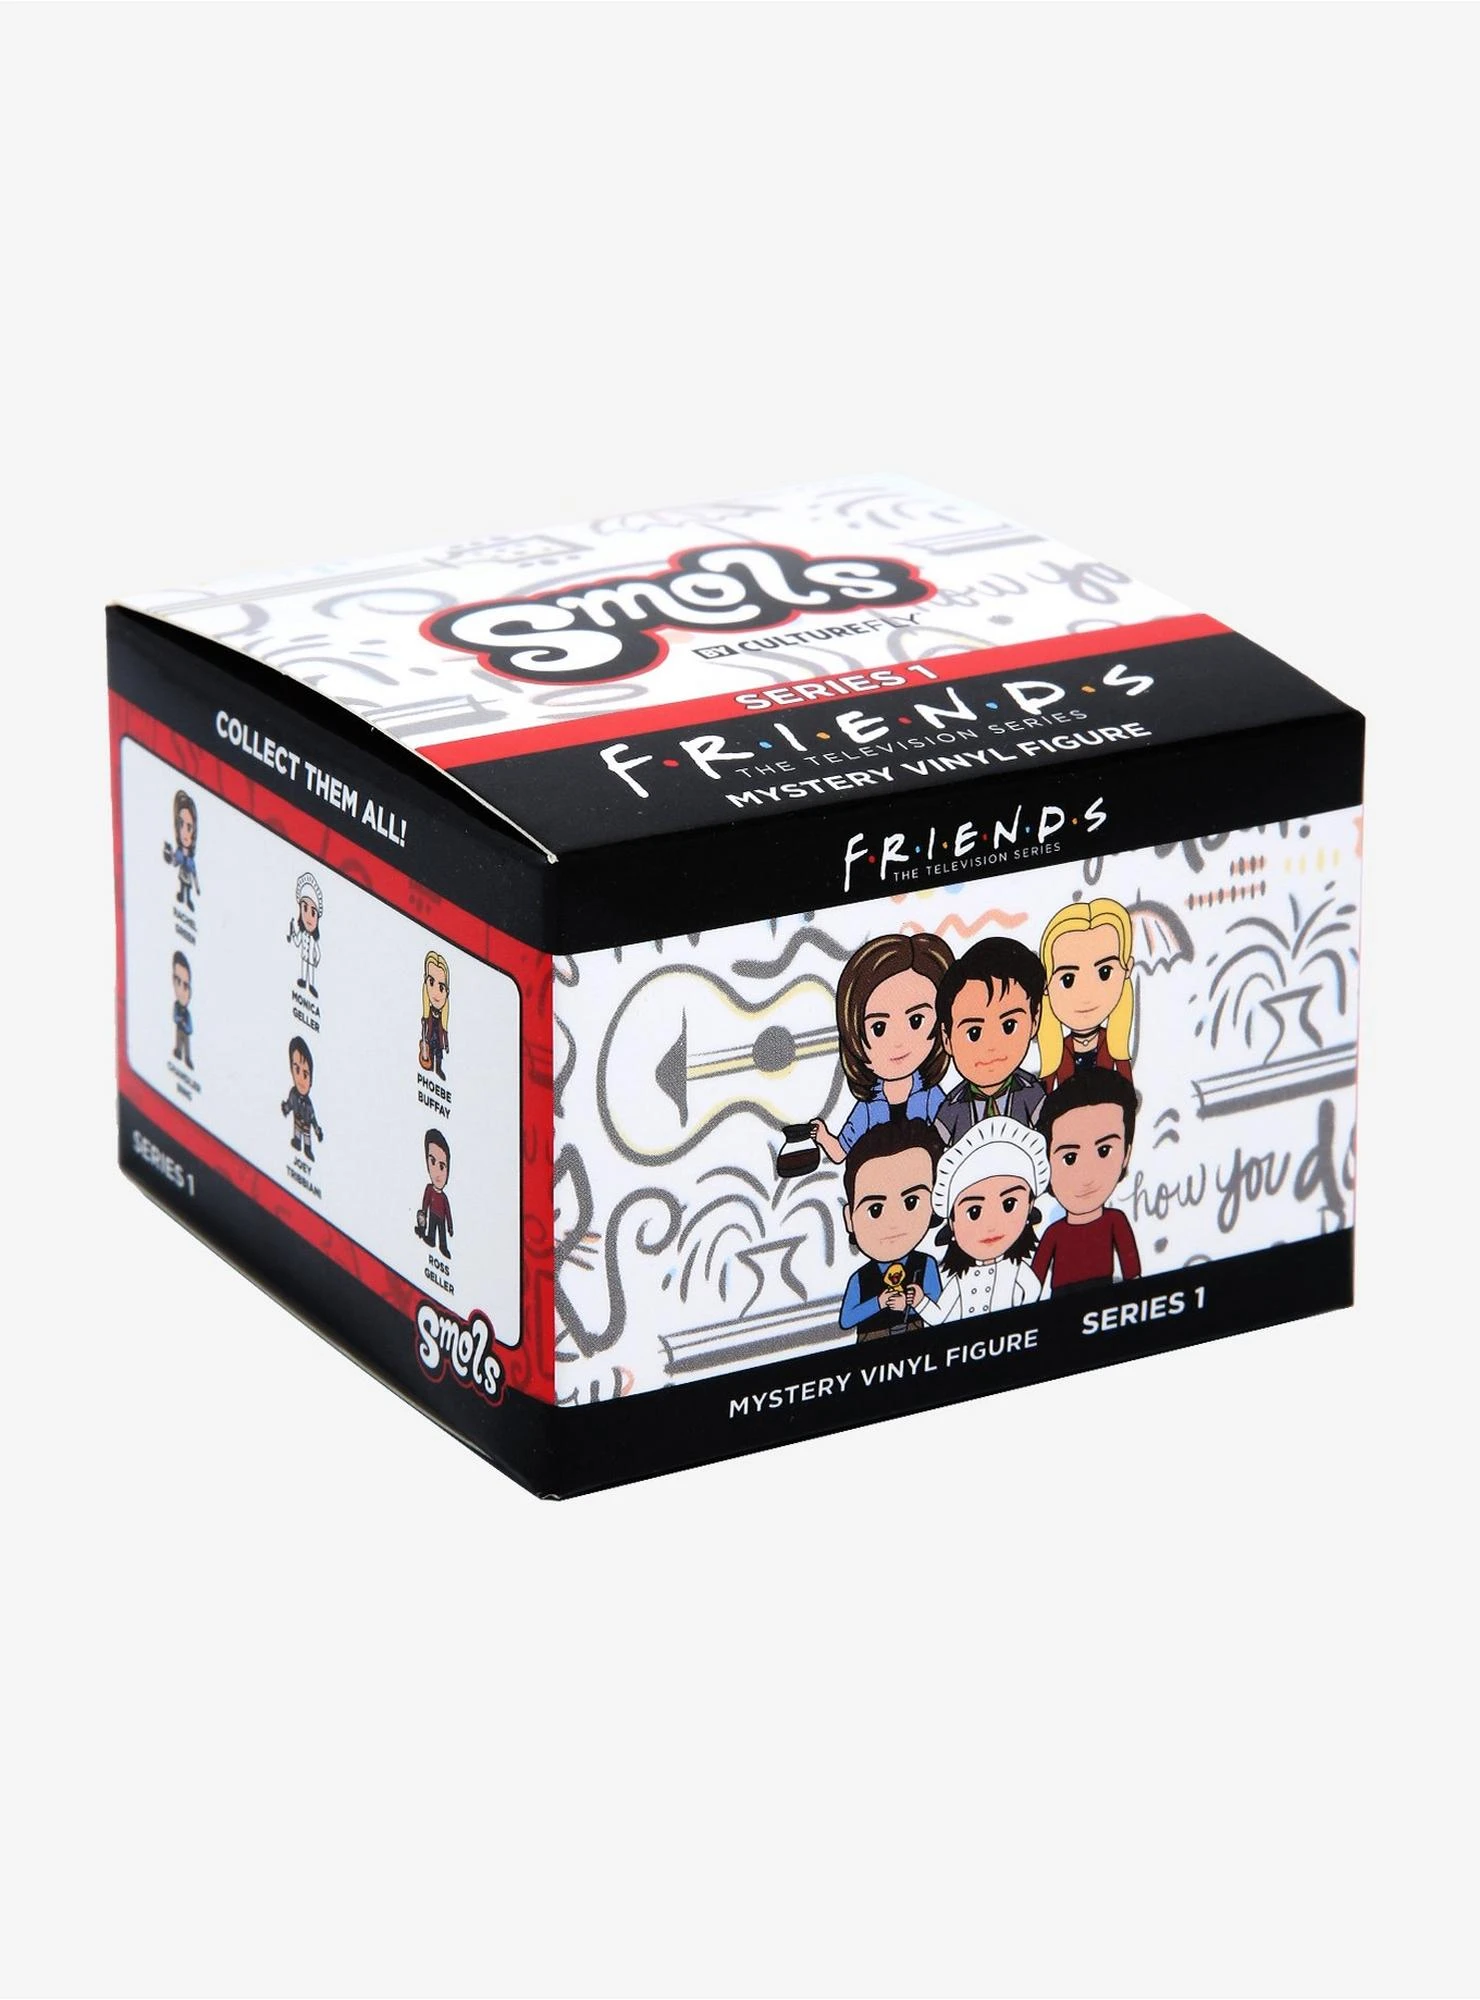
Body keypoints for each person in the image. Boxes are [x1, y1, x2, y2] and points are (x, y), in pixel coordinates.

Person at [812, 933, 952, 1165]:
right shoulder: (868, 1107)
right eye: (879, 1028)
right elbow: (840, 1152)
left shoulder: (930, 1096)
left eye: (916, 1020)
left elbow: (954, 1143)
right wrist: (823, 1137)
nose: (898, 1042)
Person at [916, 1116, 1048, 1322]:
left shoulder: (1015, 1269)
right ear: (952, 1223)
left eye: (1009, 1204)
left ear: (1029, 1206)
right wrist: (920, 1302)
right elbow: (939, 1317)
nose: (991, 1225)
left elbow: (1034, 1293)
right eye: (974, 1212)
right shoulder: (961, 1278)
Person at [1032, 1070, 1142, 1293]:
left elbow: (1132, 1271)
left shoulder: (1115, 1221)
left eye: (1104, 1151)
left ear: (1126, 1154)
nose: (1087, 1176)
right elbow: (1032, 1282)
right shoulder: (1054, 1233)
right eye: (1070, 1158)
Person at [836, 1119, 943, 1341]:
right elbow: (846, 1319)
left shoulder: (926, 1265)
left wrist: (915, 1304)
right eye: (875, 1209)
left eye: (911, 1202)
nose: (894, 1222)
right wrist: (879, 1302)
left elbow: (941, 1310)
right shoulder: (860, 1278)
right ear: (849, 1218)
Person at [933, 937, 1047, 1144]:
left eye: (1009, 1026)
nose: (992, 1046)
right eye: (974, 1033)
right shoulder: (951, 1109)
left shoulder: (1032, 1095)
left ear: (1034, 1020)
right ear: (947, 1038)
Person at [1037, 897, 1135, 1094]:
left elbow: (1129, 1100)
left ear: (1127, 969)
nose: (1086, 994)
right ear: (1046, 984)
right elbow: (1042, 1103)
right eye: (1068, 980)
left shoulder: (1114, 1046)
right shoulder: (1057, 1052)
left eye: (1104, 972)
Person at [281, 1037, 323, 1160]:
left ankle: (307, 1149)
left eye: (305, 1074)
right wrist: (286, 1108)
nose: (300, 1079)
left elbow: (313, 1118)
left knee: (306, 1135)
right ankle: (297, 1141)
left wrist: (317, 1130)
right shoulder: (293, 1094)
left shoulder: (308, 1105)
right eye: (297, 1070)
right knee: (297, 1130)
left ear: (311, 1080)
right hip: (297, 1119)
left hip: (306, 1123)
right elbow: (290, 1103)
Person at [415, 1129, 454, 1258]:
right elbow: (426, 1201)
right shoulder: (429, 1189)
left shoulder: (444, 1198)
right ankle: (430, 1239)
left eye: (442, 1166)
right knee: (431, 1230)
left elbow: (448, 1213)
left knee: (442, 1234)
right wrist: (423, 1213)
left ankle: (443, 1247)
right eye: (432, 1162)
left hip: (441, 1218)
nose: (437, 1172)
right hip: (432, 1214)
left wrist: (450, 1227)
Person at [162, 791, 199, 911]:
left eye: (189, 827)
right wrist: (168, 854)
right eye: (181, 824)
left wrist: (197, 887)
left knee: (187, 888)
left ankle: (188, 900)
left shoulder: (191, 859)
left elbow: (194, 873)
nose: (184, 832)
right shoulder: (179, 853)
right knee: (183, 887)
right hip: (182, 875)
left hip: (188, 878)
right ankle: (181, 897)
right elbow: (174, 862)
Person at [287, 874, 323, 996]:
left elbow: (318, 952)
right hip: (304, 957)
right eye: (304, 909)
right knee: (303, 968)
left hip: (311, 960)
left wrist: (317, 960)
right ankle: (303, 981)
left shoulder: (313, 939)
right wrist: (292, 932)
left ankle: (311, 985)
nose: (308, 917)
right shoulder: (302, 933)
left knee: (310, 971)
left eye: (313, 912)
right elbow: (297, 942)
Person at [421, 951, 450, 1078]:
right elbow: (424, 1026)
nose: (436, 993)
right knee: (431, 1053)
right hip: (430, 1038)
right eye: (431, 982)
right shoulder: (427, 1013)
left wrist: (446, 1045)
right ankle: (430, 1067)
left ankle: (438, 1069)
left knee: (439, 1054)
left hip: (438, 1040)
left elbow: (445, 1032)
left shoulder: (443, 1018)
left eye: (441, 988)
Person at [171, 952, 193, 1068]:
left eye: (185, 986)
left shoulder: (187, 1013)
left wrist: (186, 1026)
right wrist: (179, 1019)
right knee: (178, 1040)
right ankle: (178, 1051)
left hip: (185, 1030)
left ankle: (187, 1058)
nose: (181, 991)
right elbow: (174, 1017)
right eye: (177, 981)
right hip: (179, 1028)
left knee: (187, 1044)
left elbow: (190, 1027)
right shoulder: (176, 1005)